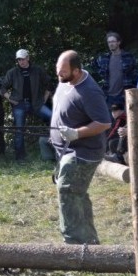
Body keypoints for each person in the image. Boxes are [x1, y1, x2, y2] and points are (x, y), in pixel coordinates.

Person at [50, 50, 112, 245]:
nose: (58, 75)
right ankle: (89, 242)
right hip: (66, 150)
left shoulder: (90, 91)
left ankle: (74, 243)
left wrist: (76, 133)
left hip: (83, 152)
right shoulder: (65, 81)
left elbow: (104, 123)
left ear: (76, 71)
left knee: (67, 190)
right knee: (77, 194)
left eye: (63, 71)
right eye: (58, 70)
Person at [0, 49, 52, 162]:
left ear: (28, 58)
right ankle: (20, 158)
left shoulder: (37, 70)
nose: (21, 61)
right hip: (19, 104)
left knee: (54, 118)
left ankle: (55, 150)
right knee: (19, 130)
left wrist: (45, 98)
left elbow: (49, 84)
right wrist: (10, 99)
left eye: (23, 59)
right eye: (19, 59)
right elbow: (2, 87)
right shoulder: (12, 72)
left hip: (37, 103)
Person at [91, 31, 138, 110]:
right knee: (108, 117)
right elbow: (94, 66)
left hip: (124, 95)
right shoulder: (104, 58)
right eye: (109, 42)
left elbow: (135, 74)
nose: (111, 44)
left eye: (113, 41)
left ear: (118, 42)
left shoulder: (128, 57)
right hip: (108, 96)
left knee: (125, 117)